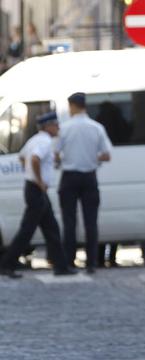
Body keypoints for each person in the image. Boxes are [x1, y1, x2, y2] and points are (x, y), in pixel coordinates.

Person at [0, 112, 77, 279]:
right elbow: (34, 159)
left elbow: (22, 157)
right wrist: (39, 179)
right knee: (27, 231)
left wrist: (31, 174)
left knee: (52, 229)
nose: (58, 127)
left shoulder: (35, 139)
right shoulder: (44, 142)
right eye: (55, 124)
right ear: (47, 126)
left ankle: (61, 266)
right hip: (37, 189)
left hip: (35, 189)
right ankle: (7, 264)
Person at [55, 92, 113, 274]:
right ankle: (91, 263)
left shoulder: (64, 128)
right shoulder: (96, 128)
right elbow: (107, 154)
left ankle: (70, 261)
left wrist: (62, 160)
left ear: (72, 106)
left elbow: (55, 153)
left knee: (69, 222)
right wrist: (93, 158)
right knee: (91, 222)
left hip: (70, 177)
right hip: (89, 177)